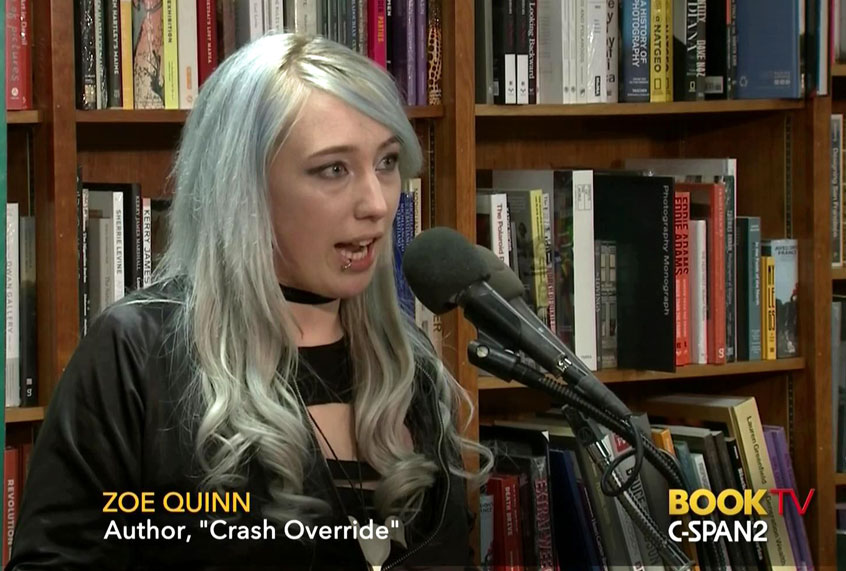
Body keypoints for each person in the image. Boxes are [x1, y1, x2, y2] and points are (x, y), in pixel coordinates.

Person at [8, 33, 489, 570]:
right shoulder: (137, 354)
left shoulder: (408, 361)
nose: (376, 203)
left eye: (387, 162)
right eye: (334, 169)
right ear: (243, 189)